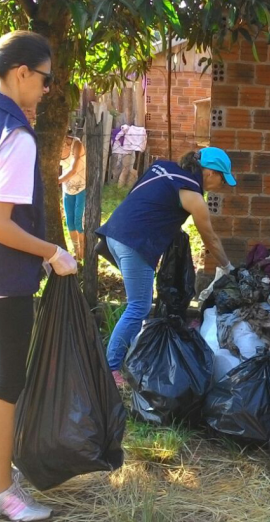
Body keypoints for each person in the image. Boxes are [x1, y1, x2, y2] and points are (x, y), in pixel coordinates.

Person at [0, 31, 78, 522]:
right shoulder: (17, 136)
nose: (48, 90)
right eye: (45, 79)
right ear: (22, 73)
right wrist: (52, 252)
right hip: (5, 274)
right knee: (9, 378)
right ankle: (0, 493)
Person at [96, 147, 236, 386]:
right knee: (138, 307)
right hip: (135, 243)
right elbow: (210, 239)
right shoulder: (194, 196)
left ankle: (129, 357)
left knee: (137, 303)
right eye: (222, 179)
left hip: (113, 234)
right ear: (210, 173)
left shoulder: (162, 167)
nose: (220, 186)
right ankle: (110, 371)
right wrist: (228, 267)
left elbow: (143, 198)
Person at [59, 131, 87, 260]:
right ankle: (76, 252)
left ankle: (83, 250)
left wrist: (56, 181)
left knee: (78, 222)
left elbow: (73, 169)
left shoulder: (77, 144)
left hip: (82, 187)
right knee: (69, 222)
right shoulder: (54, 148)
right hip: (67, 188)